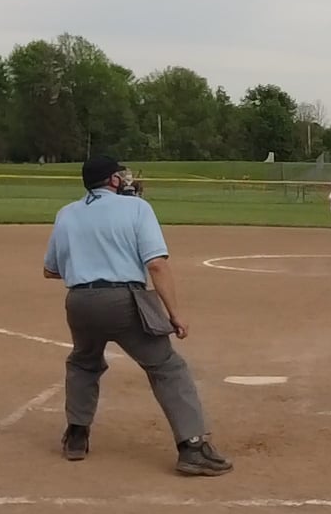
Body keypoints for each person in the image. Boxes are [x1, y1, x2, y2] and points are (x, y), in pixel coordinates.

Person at [44, 156, 231, 475]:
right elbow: (156, 264)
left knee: (83, 363)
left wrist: (89, 262)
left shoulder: (67, 213)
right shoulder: (137, 208)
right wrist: (174, 314)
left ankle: (76, 436)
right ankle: (193, 447)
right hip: (123, 300)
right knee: (167, 367)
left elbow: (51, 270)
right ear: (113, 180)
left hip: (79, 301)